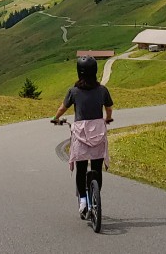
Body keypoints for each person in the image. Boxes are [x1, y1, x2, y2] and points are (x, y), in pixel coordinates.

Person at [52, 56, 114, 216]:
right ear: (95, 71)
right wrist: (107, 118)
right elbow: (109, 108)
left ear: (79, 72)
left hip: (80, 134)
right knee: (96, 168)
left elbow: (62, 108)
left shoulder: (74, 91)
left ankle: (83, 201)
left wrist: (56, 118)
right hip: (98, 132)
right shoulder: (102, 90)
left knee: (80, 169)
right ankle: (95, 196)